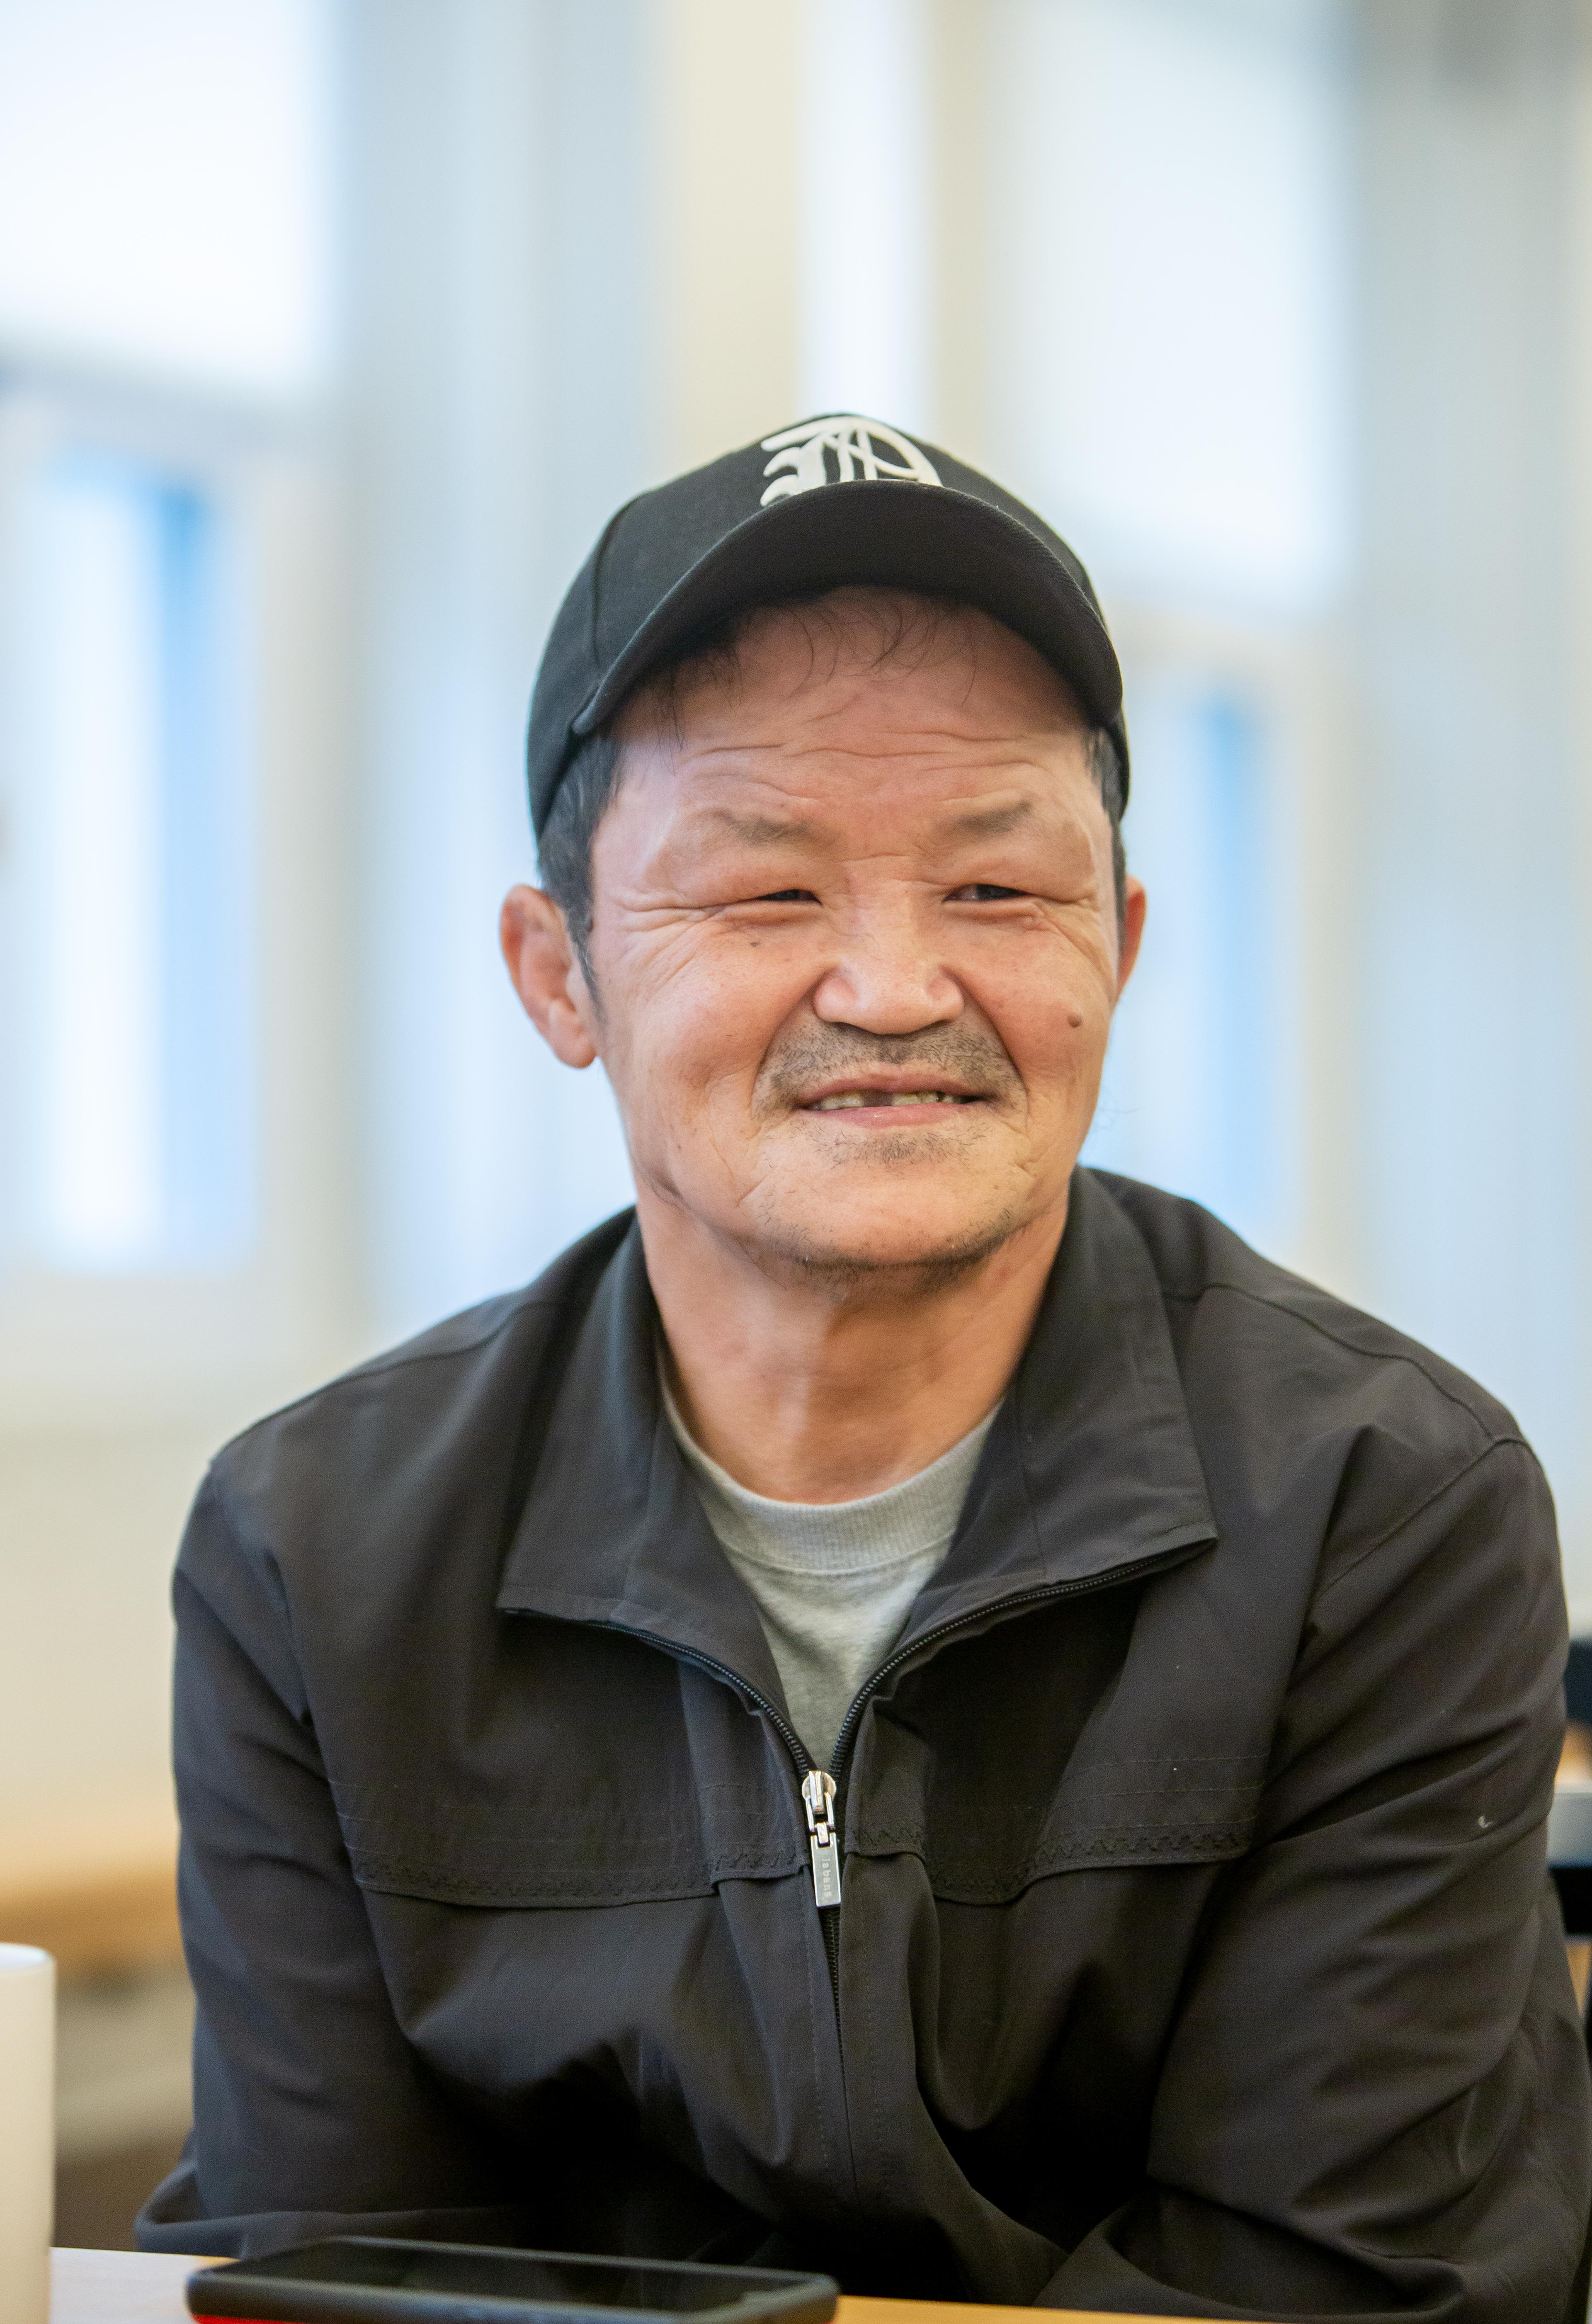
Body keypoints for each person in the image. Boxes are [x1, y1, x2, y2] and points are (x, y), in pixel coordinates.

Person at [139, 418, 1590, 2320]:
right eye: (767, 892)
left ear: (1122, 949)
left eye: (998, 891)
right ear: (558, 974)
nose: (897, 988)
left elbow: (1310, 2293)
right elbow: (331, 2282)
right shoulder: (317, 1554)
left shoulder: (1379, 1504)